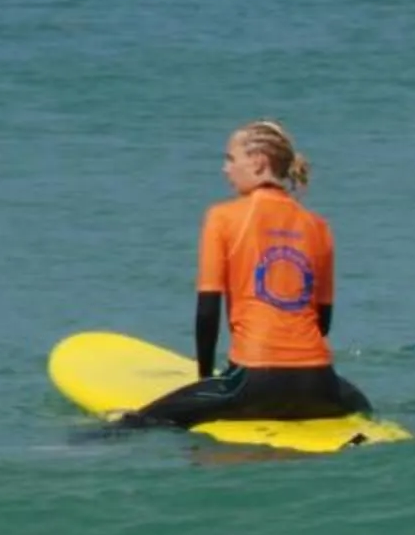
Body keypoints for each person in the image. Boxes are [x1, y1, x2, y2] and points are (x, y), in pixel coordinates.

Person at [117, 120, 376, 429]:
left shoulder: (223, 217)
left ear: (258, 163)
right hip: (319, 385)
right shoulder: (318, 226)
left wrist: (207, 382)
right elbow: (323, 323)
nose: (225, 169)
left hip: (254, 383)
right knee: (364, 406)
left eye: (230, 158)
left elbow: (207, 312)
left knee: (137, 422)